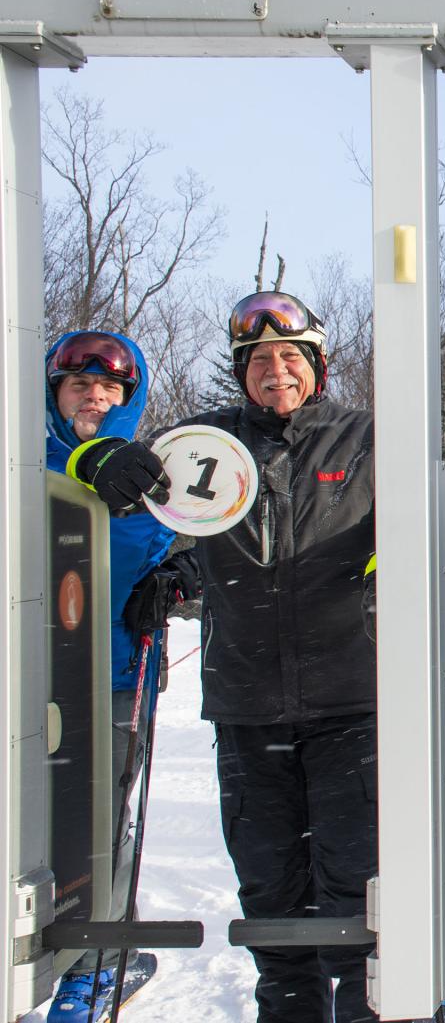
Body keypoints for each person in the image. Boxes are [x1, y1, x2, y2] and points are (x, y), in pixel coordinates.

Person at [70, 292, 386, 1023]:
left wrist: (390, 567)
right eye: (259, 359)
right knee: (270, 888)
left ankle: (368, 1008)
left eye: (290, 356)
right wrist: (102, 458)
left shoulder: (367, 439)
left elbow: (437, 522)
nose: (276, 371)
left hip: (353, 700)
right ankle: (289, 1008)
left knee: (358, 886)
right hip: (247, 705)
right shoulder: (204, 441)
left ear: (317, 365)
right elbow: (103, 462)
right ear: (242, 372)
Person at [44, 330, 189, 1021]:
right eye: (80, 386)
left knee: (97, 823)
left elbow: (217, 537)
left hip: (114, 676)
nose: (94, 398)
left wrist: (181, 573)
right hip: (27, 675)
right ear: (54, 394)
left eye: (109, 390)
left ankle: (95, 961)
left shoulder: (156, 471)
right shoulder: (20, 461)